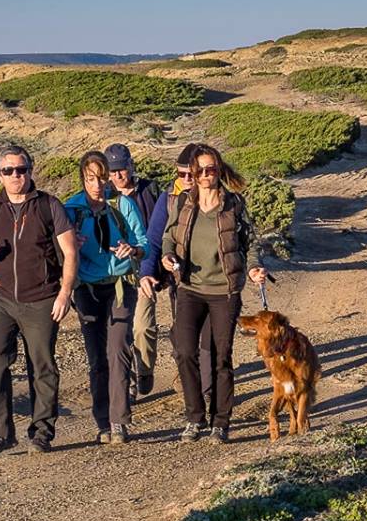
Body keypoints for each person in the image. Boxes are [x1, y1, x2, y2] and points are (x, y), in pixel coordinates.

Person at [0, 145, 78, 455]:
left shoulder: (48, 205)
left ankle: (41, 432)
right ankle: (0, 433)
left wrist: (65, 293)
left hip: (42, 298)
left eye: (22, 169)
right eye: (9, 170)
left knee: (42, 366)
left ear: (30, 171)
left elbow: (70, 252)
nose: (16, 175)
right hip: (1, 298)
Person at [162, 144, 267, 444]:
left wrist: (253, 268)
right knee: (184, 351)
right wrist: (167, 257)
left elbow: (251, 242)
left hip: (224, 292)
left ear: (219, 171)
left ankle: (220, 422)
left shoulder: (234, 204)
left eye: (212, 169)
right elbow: (168, 236)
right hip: (189, 288)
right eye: (201, 170)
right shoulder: (183, 202)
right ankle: (194, 418)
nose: (206, 175)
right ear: (193, 173)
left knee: (221, 357)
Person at [65, 151, 149, 445]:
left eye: (102, 178)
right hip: (87, 289)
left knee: (118, 349)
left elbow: (144, 243)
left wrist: (132, 250)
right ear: (82, 179)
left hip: (120, 286)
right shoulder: (71, 210)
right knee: (97, 357)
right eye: (91, 179)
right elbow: (56, 246)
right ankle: (102, 421)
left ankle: (118, 421)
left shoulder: (122, 204)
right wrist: (70, 245)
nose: (98, 185)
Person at [138, 143, 214, 398]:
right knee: (184, 333)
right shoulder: (169, 198)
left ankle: (208, 386)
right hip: (180, 279)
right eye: (181, 174)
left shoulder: (218, 196)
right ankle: (188, 378)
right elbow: (154, 239)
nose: (186, 179)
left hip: (214, 280)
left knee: (209, 336)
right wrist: (147, 272)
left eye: (191, 174)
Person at [104, 143, 160, 399]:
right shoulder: (102, 196)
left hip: (143, 269)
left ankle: (145, 371)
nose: (117, 175)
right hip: (112, 274)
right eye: (112, 171)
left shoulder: (151, 192)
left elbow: (158, 233)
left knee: (142, 327)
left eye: (121, 169)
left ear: (131, 166)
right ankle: (126, 382)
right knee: (118, 332)